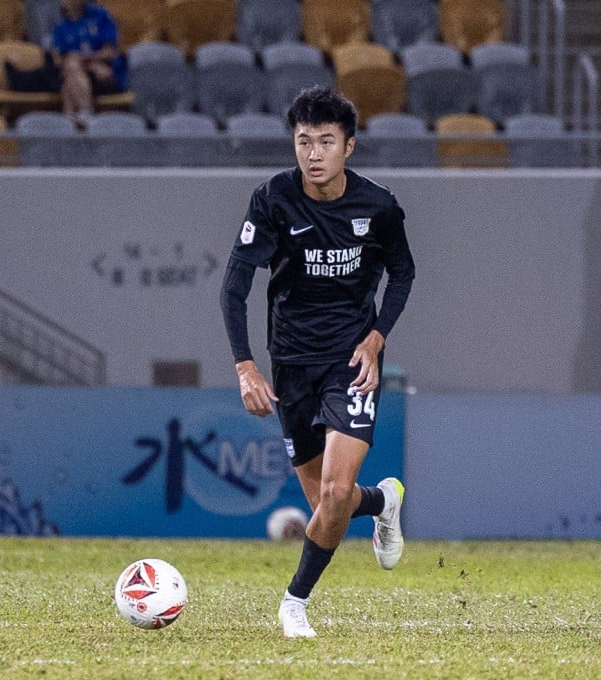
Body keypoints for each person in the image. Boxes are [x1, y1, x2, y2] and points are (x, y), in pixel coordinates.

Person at [219, 86, 416, 638]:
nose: (313, 153)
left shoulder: (377, 206)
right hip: (290, 366)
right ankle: (383, 500)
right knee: (326, 506)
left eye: (325, 141)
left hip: (352, 362)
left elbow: (403, 273)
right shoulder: (272, 200)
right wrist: (245, 366)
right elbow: (233, 289)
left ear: (348, 147)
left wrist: (377, 337)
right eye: (303, 141)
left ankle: (294, 604)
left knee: (330, 497)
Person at [51, 0, 127, 121]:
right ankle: (83, 115)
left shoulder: (101, 15)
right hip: (82, 74)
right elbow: (59, 60)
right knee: (69, 71)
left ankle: (75, 123)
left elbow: (110, 52)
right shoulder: (60, 27)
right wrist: (91, 65)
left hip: (106, 76)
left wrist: (86, 59)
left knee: (69, 76)